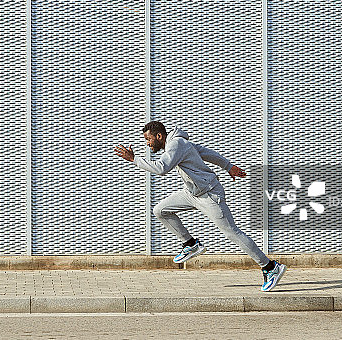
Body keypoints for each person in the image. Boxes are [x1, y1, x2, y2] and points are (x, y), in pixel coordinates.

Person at [114, 120, 286, 292]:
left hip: (209, 195)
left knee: (232, 232)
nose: (147, 143)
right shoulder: (180, 143)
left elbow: (162, 168)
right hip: (192, 193)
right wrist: (228, 166)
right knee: (160, 210)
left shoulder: (176, 144)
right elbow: (205, 152)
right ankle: (190, 244)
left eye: (148, 139)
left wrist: (134, 159)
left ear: (159, 136)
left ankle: (270, 267)